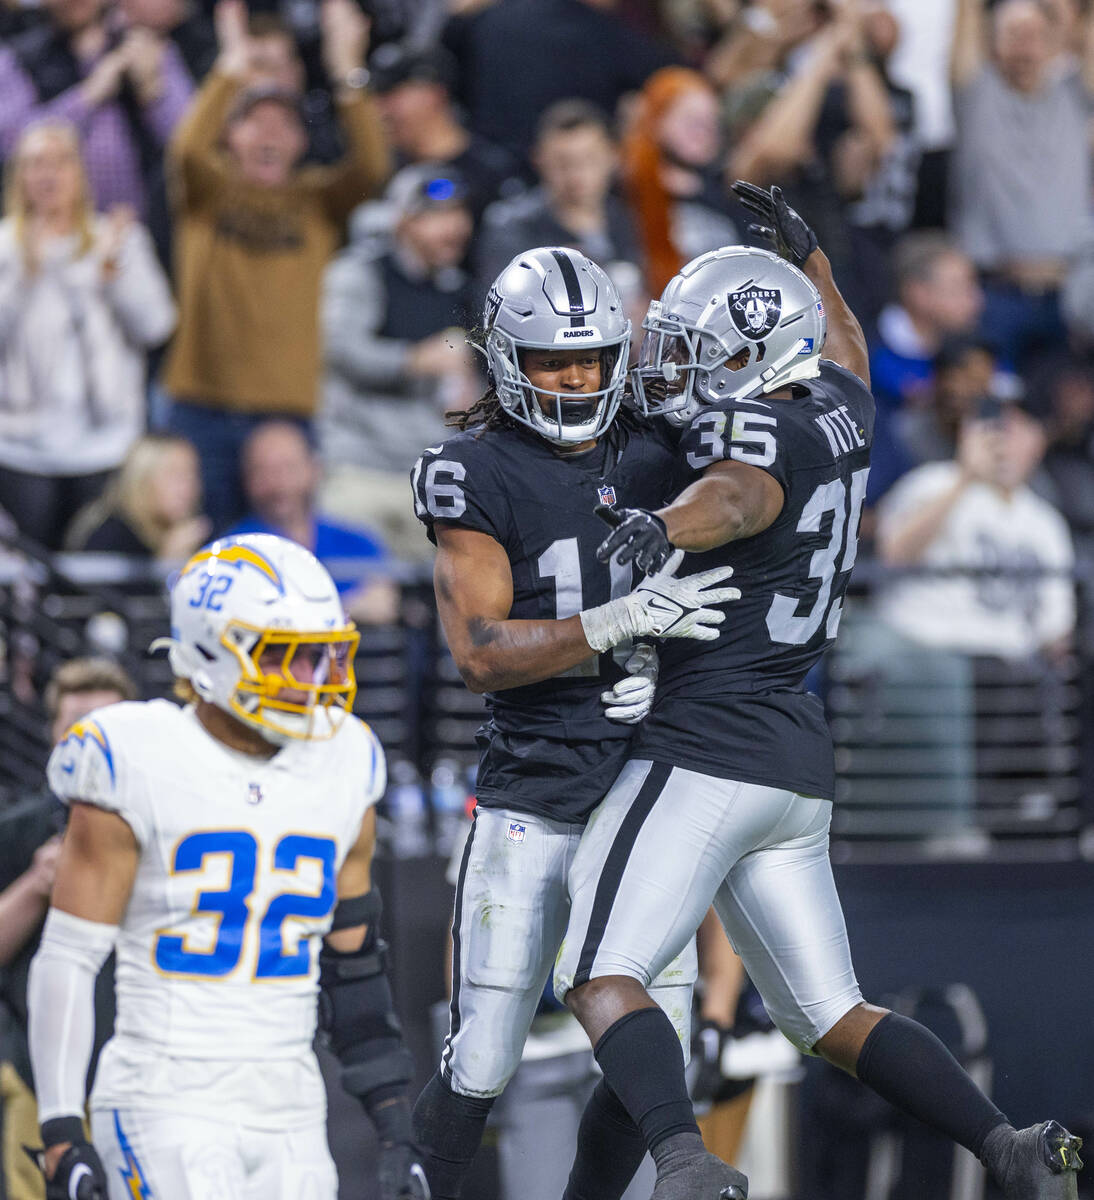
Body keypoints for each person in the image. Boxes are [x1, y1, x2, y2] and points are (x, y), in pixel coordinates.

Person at [550, 186, 1084, 1200]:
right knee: (831, 1015)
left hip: (700, 746)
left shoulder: (758, 436)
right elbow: (847, 354)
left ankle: (683, 1165)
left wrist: (667, 526)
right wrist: (818, 264)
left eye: (692, 353)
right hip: (791, 760)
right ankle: (1006, 1146)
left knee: (599, 975)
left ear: (755, 363)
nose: (669, 368)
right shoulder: (838, 404)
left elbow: (737, 492)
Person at [408, 246, 741, 1200]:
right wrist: (609, 630)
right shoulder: (470, 469)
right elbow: (476, 652)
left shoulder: (656, 446)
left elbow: (737, 570)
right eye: (556, 360)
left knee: (655, 1057)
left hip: (643, 787)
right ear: (508, 360)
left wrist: (670, 672)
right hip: (535, 793)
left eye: (593, 358)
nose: (578, 377)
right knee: (486, 1048)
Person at [25, 533, 427, 1200]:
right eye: (289, 657)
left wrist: (395, 1125)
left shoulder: (347, 761)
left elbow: (354, 966)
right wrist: (63, 1129)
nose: (318, 678)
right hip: (165, 1096)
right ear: (213, 650)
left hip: (293, 1104)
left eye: (326, 654)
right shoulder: (136, 753)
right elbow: (68, 958)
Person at [160, 0, 390, 532]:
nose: (268, 132)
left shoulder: (317, 201)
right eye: (253, 120)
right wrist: (230, 67)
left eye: (283, 123)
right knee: (198, 542)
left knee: (287, 552)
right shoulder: (206, 191)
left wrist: (347, 69)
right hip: (200, 407)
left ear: (302, 142)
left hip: (287, 412)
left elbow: (374, 167)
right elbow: (187, 151)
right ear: (230, 135)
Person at [0, 121, 176, 550]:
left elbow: (157, 327)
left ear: (80, 173)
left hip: (105, 445)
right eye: (36, 164)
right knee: (29, 578)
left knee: (96, 576)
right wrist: (23, 277)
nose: (49, 175)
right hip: (22, 449)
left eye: (60, 162)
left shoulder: (117, 240)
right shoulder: (4, 248)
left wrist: (116, 275)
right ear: (19, 176)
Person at [0, 657, 137, 1200]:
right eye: (77, 725)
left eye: (106, 725)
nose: (91, 740)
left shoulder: (168, 823)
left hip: (141, 1079)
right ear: (55, 735)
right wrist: (37, 882)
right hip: (38, 1075)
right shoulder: (20, 828)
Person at [319, 162, 479, 559]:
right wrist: (413, 360)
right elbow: (339, 350)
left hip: (426, 477)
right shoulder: (359, 273)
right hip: (360, 471)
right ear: (403, 221)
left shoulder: (458, 289)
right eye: (436, 216)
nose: (453, 227)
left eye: (458, 214)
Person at [950, 0, 1094, 363]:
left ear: (1054, 40)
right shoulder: (975, 95)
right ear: (993, 41)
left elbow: (1087, 30)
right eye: (1014, 33)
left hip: (1072, 295)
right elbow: (966, 19)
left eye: (1035, 34)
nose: (1025, 44)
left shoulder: (1076, 95)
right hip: (995, 295)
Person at [0, 0, 194, 219]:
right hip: (56, 230)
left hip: (150, 225)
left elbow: (193, 142)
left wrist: (153, 89)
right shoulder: (19, 57)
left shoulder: (145, 43)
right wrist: (87, 97)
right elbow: (13, 146)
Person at [229, 420, 395, 623]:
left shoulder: (359, 542)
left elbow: (383, 605)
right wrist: (347, 608)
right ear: (246, 479)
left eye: (288, 468)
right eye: (262, 471)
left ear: (314, 469)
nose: (277, 483)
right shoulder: (234, 548)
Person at [475, 99, 641, 288]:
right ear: (539, 160)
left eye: (589, 159)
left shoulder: (632, 218)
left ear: (613, 156)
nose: (577, 174)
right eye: (562, 163)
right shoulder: (512, 227)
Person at [370, 42, 520, 222]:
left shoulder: (493, 172)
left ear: (435, 93)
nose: (381, 111)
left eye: (391, 95)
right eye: (377, 98)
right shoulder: (383, 173)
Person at [65, 433, 210, 565]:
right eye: (174, 475)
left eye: (192, 475)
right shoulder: (108, 538)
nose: (187, 489)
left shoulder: (193, 535)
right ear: (141, 479)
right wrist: (167, 564)